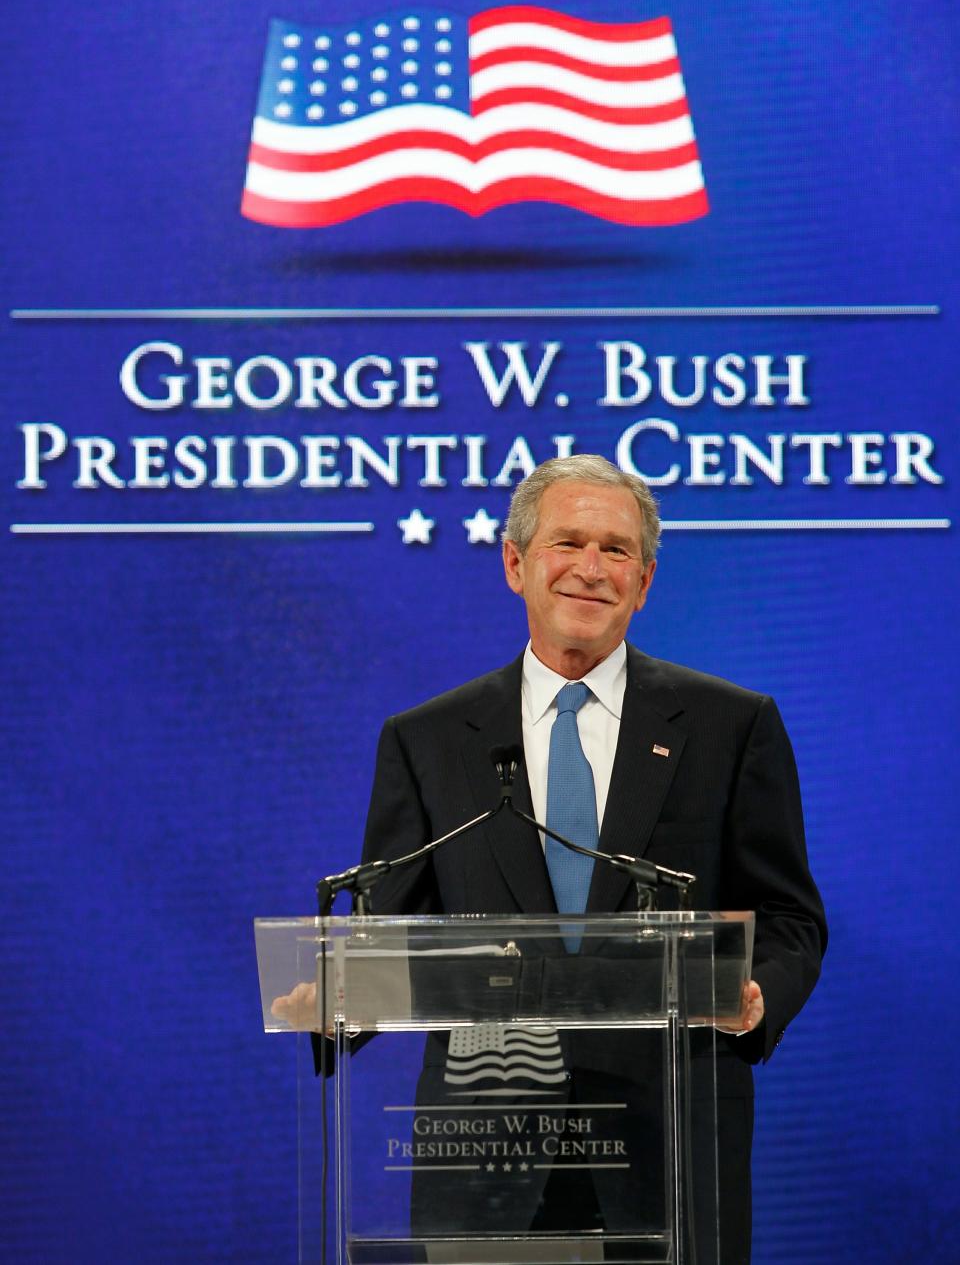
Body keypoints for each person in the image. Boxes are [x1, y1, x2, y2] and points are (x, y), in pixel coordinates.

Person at [283, 454, 826, 1263]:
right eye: (567, 542)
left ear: (643, 582)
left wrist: (754, 996)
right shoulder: (430, 738)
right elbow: (389, 926)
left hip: (669, 1145)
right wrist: (339, 998)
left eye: (616, 551)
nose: (590, 569)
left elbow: (789, 918)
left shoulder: (730, 725)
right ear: (515, 563)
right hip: (484, 1144)